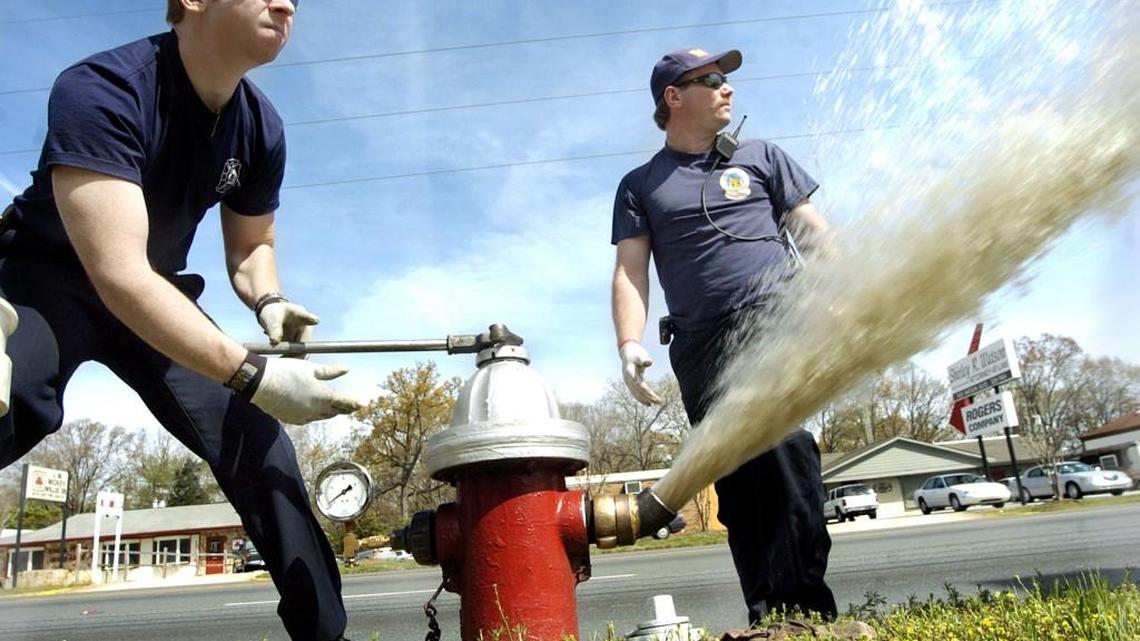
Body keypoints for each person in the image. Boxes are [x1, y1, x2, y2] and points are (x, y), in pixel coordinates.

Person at [0, 2, 363, 640]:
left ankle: (324, 633)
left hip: (154, 290)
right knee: (15, 400)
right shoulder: (103, 88)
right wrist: (255, 376)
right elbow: (117, 272)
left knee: (257, 440)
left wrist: (269, 302)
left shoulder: (260, 127)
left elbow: (251, 248)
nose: (285, 5)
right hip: (46, 277)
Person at [610, 47, 838, 624]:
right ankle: (770, 616)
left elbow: (814, 235)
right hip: (701, 345)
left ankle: (807, 610)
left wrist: (850, 293)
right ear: (673, 97)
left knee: (785, 451)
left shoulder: (761, 157)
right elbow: (631, 272)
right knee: (738, 477)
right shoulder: (640, 186)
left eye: (726, 78)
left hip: (774, 318)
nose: (726, 88)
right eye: (711, 79)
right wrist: (629, 345)